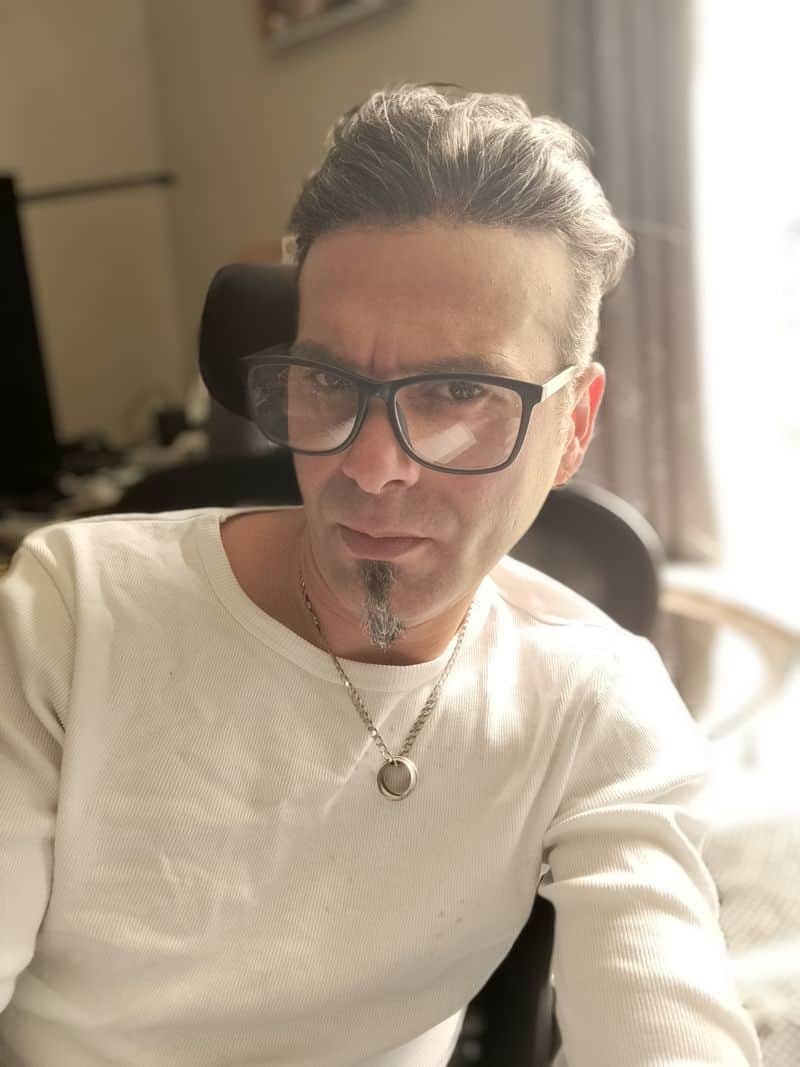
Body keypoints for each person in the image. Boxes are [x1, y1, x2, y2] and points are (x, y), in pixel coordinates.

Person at [0, 84, 761, 1067]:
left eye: (458, 390)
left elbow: (667, 1024)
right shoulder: (68, 616)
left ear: (572, 423)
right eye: (326, 380)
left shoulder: (593, 701)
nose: (368, 467)